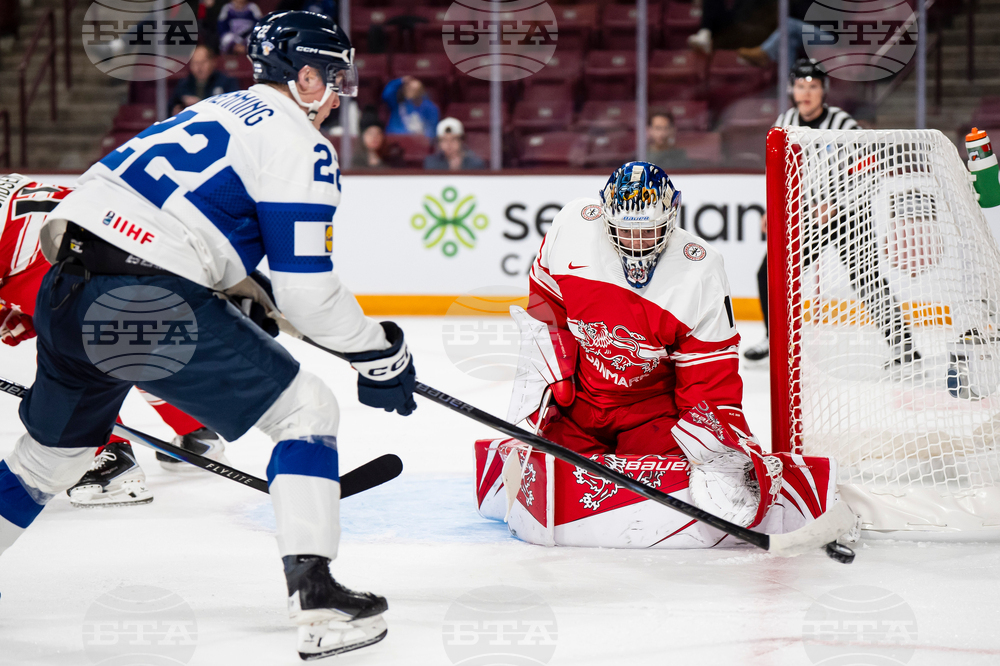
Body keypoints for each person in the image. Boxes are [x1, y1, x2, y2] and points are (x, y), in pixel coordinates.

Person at [0, 11, 416, 660]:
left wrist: (235, 287)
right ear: (304, 76)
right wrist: (382, 353)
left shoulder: (212, 111)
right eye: (332, 77)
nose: (337, 94)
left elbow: (165, 218)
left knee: (48, 459)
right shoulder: (299, 144)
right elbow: (311, 297)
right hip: (142, 297)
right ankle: (319, 603)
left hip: (63, 284)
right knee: (308, 408)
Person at [523, 161, 787, 529]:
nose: (637, 244)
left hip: (649, 413)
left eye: (650, 232)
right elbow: (545, 310)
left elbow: (708, 377)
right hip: (580, 403)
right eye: (625, 233)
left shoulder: (700, 270)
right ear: (604, 217)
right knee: (535, 466)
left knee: (675, 488)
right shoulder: (572, 228)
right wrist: (547, 380)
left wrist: (717, 451)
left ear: (672, 216)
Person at [0, 174, 227, 508]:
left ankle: (108, 459)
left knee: (69, 353)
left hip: (78, 256)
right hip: (125, 238)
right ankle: (196, 428)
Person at [744, 58, 864, 361]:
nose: (806, 93)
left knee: (867, 277)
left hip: (845, 215)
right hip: (806, 217)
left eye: (813, 86)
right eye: (800, 86)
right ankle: (773, 338)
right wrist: (772, 210)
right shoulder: (784, 121)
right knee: (768, 272)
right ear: (792, 90)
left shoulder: (843, 124)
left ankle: (902, 344)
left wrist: (835, 204)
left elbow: (863, 170)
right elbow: (778, 172)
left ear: (824, 90)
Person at [169, 44, 240, 115]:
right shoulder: (184, 84)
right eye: (195, 63)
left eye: (203, 62)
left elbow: (234, 108)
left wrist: (200, 104)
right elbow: (170, 109)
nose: (199, 67)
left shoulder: (226, 82)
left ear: (213, 62)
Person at [382, 75, 439, 139]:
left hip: (418, 142)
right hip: (397, 139)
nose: (411, 91)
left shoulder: (429, 107)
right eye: (408, 88)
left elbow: (432, 129)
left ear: (421, 91)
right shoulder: (397, 105)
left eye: (415, 89)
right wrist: (400, 81)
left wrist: (424, 141)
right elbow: (386, 94)